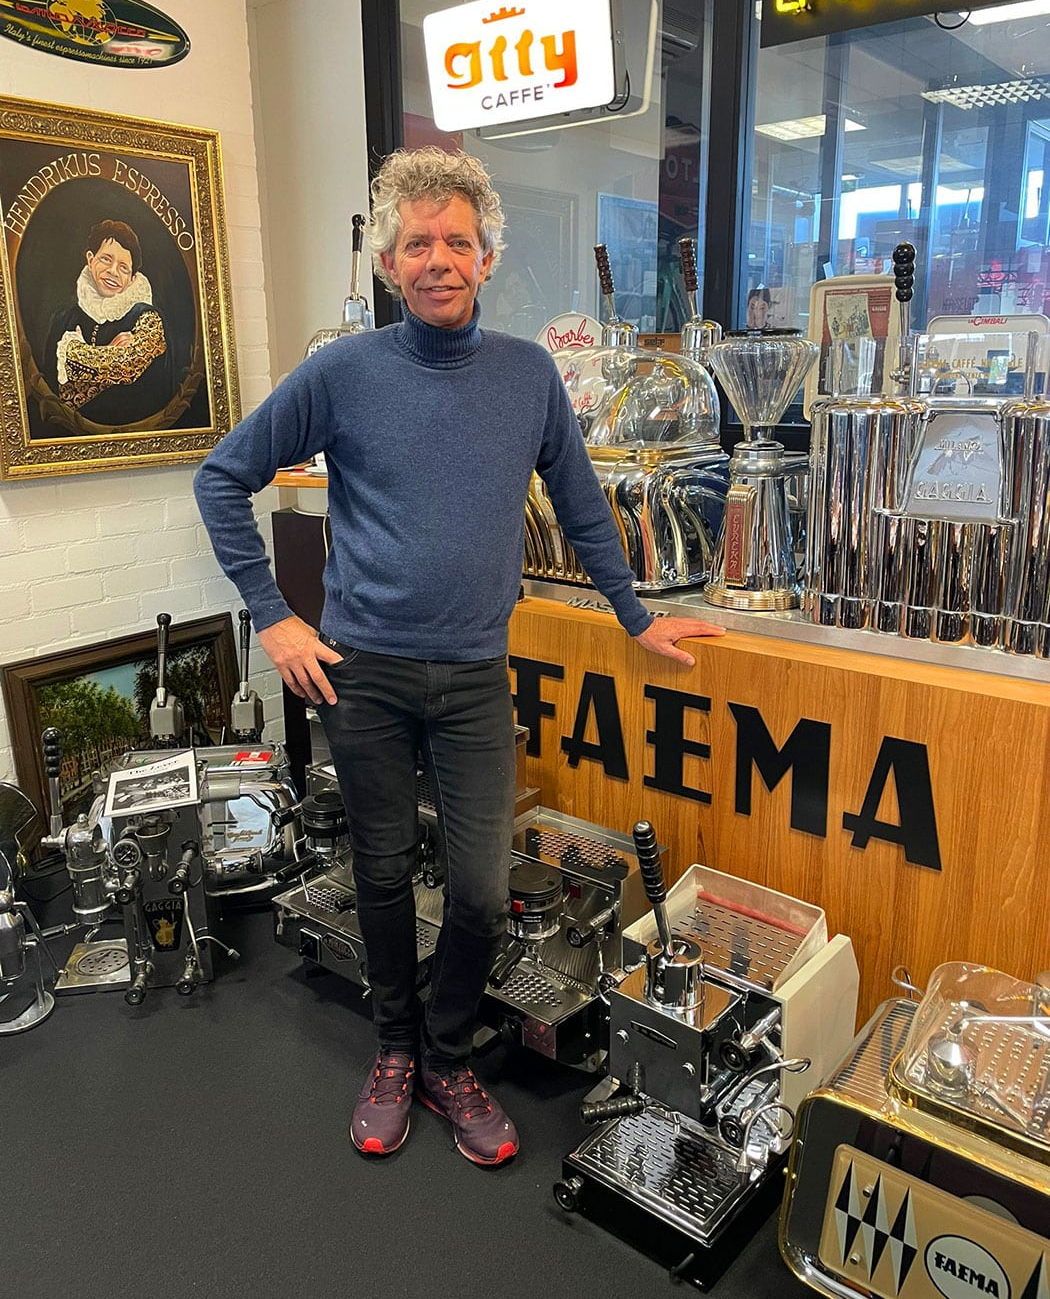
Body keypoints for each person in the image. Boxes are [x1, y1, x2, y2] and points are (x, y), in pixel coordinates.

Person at [193, 146, 724, 1168]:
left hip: (478, 675)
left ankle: (446, 1055)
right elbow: (224, 478)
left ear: (486, 258)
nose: (438, 258)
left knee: (479, 888)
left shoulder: (527, 375)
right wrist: (273, 614)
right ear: (392, 262)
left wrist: (634, 616)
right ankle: (395, 1047)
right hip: (367, 673)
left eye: (458, 241)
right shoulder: (341, 373)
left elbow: (581, 503)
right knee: (384, 872)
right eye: (418, 242)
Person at [41, 219, 172, 427]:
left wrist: (74, 352)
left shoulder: (147, 318)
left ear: (132, 277)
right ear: (90, 259)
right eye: (106, 259)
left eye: (123, 267)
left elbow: (127, 365)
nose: (113, 271)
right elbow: (57, 396)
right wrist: (110, 351)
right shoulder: (62, 319)